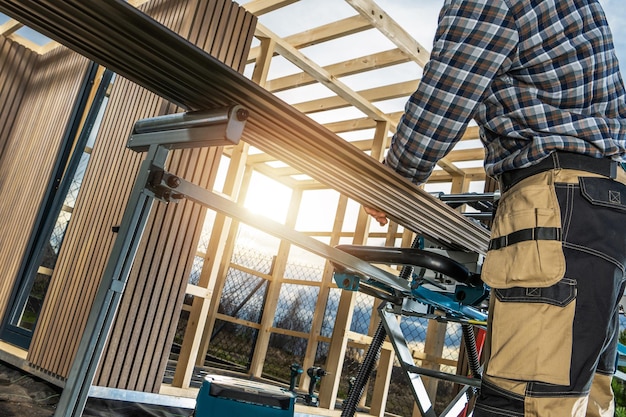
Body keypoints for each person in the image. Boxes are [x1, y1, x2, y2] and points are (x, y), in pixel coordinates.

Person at [364, 0, 626, 415]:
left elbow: (445, 96)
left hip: (555, 204)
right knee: (578, 402)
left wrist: (390, 181)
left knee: (524, 403)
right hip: (607, 209)